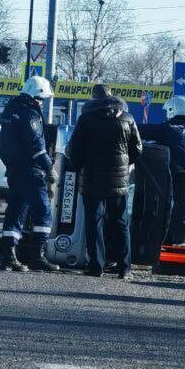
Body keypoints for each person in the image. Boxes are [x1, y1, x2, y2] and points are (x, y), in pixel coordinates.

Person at [66, 83, 142, 279]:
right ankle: (124, 268)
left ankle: (96, 267)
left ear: (93, 98)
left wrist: (80, 167)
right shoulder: (127, 118)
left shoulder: (86, 119)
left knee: (94, 222)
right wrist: (124, 166)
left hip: (92, 179)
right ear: (111, 96)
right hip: (119, 181)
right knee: (120, 222)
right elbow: (138, 149)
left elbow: (74, 151)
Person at [0, 75, 58, 273]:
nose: (42, 103)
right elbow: (36, 145)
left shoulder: (11, 108)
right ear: (36, 96)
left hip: (13, 169)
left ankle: (9, 256)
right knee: (43, 212)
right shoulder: (30, 113)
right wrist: (49, 168)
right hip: (29, 170)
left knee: (15, 211)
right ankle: (37, 257)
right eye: (42, 99)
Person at [141, 95, 185, 245]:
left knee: (181, 213)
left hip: (183, 176)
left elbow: (143, 130)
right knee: (181, 211)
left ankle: (184, 247)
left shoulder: (171, 129)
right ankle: (172, 243)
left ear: (172, 110)